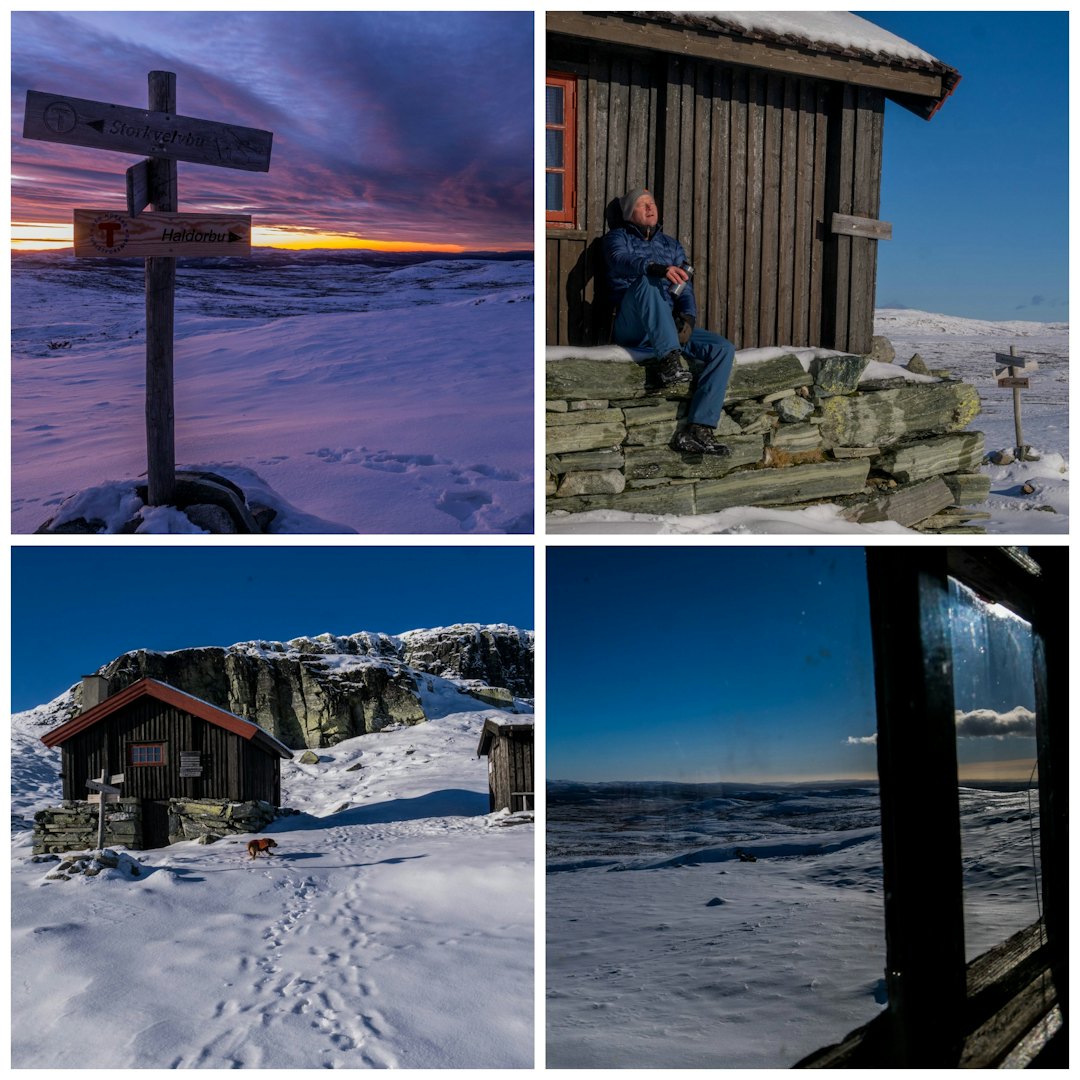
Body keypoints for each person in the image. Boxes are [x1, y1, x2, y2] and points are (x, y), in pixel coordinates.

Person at [603, 188, 736, 455]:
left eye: (652, 203)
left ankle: (698, 429)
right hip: (633, 324)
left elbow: (684, 288)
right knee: (646, 281)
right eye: (642, 205)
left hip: (665, 322)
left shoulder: (671, 245)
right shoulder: (617, 238)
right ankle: (669, 363)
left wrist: (687, 319)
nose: (650, 208)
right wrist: (654, 267)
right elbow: (620, 261)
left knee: (723, 348)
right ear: (630, 214)